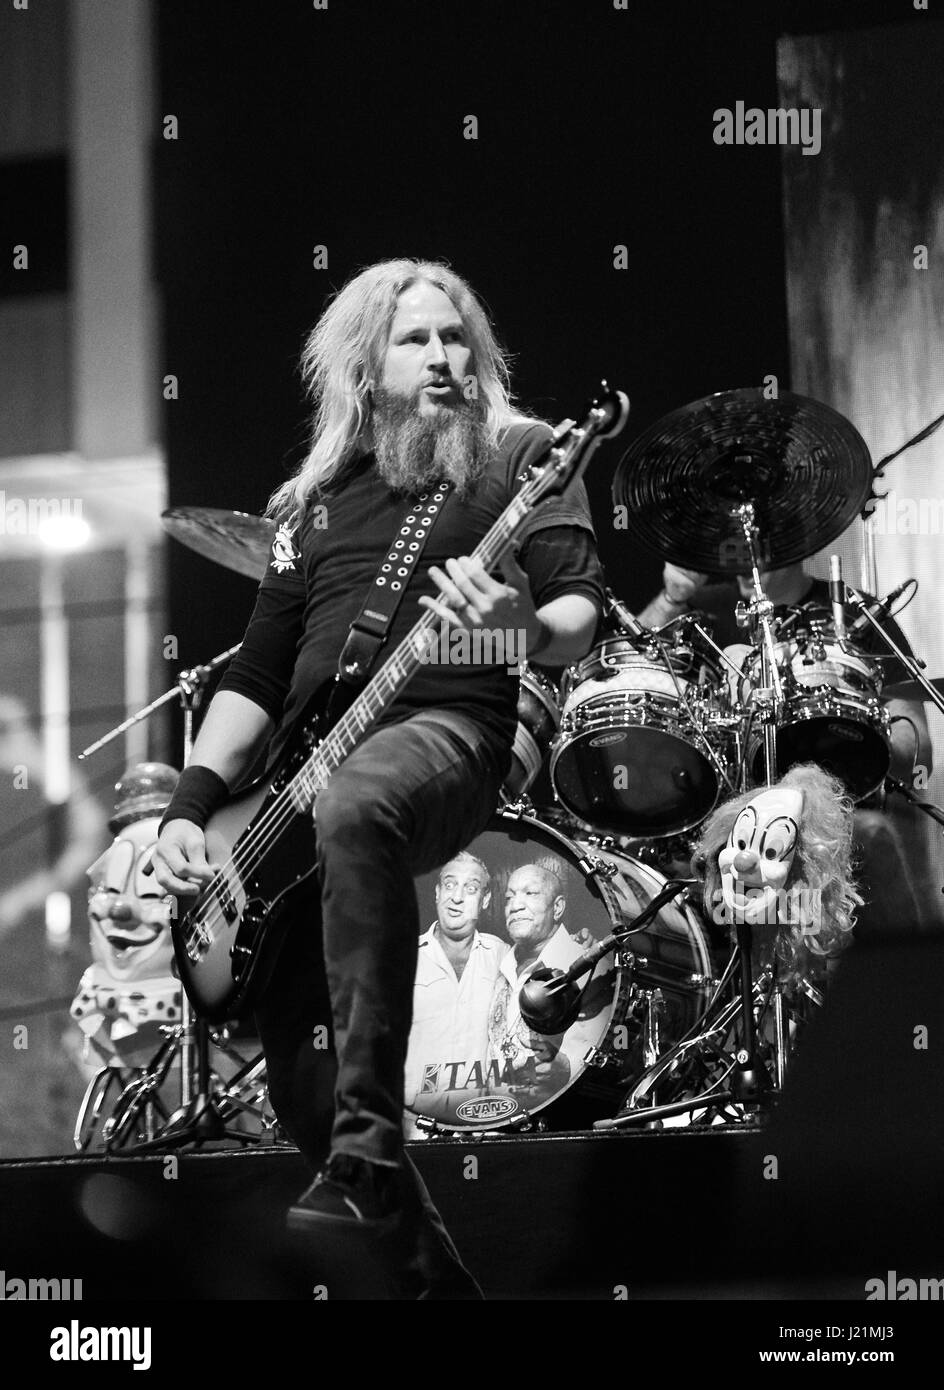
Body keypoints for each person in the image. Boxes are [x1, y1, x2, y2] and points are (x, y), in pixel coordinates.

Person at [150, 259, 604, 1298]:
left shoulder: (523, 456)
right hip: (294, 794)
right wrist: (189, 809)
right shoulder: (308, 505)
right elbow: (260, 674)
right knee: (301, 1091)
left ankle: (367, 1139)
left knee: (360, 796)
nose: (442, 358)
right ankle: (418, 1263)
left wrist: (514, 628)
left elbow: (575, 616)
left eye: (456, 339)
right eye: (416, 341)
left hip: (446, 728)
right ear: (365, 365)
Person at [638, 561, 940, 935]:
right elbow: (635, 665)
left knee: (874, 835)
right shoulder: (705, 610)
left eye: (763, 548)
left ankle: (906, 984)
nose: (744, 563)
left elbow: (917, 746)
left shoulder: (853, 612)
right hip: (726, 810)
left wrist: (849, 725)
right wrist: (671, 598)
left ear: (795, 541)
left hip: (836, 813)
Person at [486, 862, 613, 1105]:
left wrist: (566, 1067)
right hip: (493, 1121)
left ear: (557, 907)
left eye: (530, 893)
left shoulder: (590, 966)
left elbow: (617, 1042)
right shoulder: (499, 962)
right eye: (509, 897)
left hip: (558, 1120)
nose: (515, 905)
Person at [404, 851, 504, 1128]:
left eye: (470, 889)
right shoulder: (402, 957)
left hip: (478, 1124)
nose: (456, 897)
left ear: (484, 901)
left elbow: (546, 965)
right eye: (449, 885)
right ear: (437, 893)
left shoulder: (502, 955)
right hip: (408, 1124)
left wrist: (579, 940)